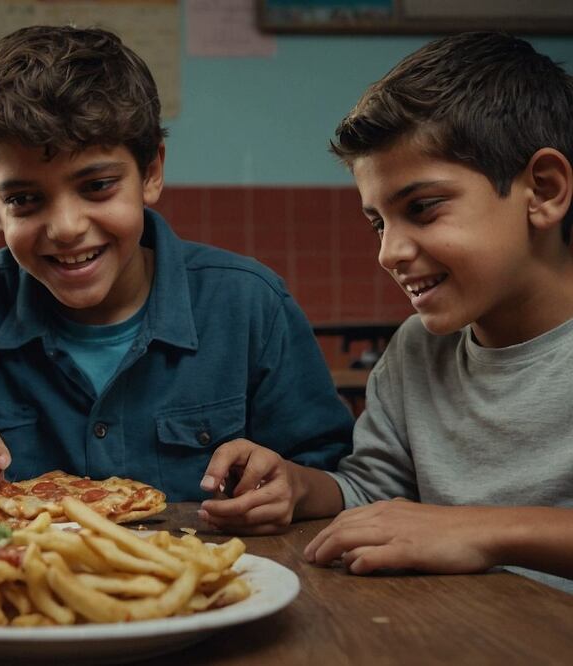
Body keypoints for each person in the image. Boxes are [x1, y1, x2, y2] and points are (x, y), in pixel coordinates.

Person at [0, 25, 353, 508]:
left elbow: (334, 478)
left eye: (97, 186)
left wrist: (295, 486)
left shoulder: (250, 303)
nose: (66, 228)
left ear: (151, 172)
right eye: (24, 199)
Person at [201, 32, 573, 592]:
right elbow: (373, 492)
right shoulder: (417, 349)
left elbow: (445, 529)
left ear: (542, 191)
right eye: (378, 223)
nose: (388, 252)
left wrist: (482, 530)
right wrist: (297, 486)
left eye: (422, 208)